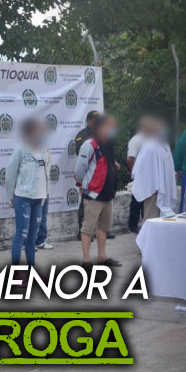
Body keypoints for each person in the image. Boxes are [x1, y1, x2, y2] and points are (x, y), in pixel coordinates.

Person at [74, 115, 122, 269]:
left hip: (108, 193)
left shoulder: (108, 143)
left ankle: (102, 257)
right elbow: (79, 170)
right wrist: (82, 184)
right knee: (87, 228)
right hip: (93, 194)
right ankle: (86, 260)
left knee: (103, 227)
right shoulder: (89, 145)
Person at [5, 119, 50, 276]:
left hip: (39, 199)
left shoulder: (43, 150)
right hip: (23, 198)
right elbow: (10, 175)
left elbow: (45, 174)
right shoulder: (21, 150)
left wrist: (45, 194)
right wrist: (10, 196)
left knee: (32, 238)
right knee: (20, 236)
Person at [72, 110, 113, 239]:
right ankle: (82, 231)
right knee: (87, 204)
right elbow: (80, 151)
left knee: (103, 204)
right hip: (89, 173)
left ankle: (103, 231)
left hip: (103, 176)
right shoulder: (83, 135)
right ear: (89, 121)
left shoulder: (103, 134)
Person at [131, 116, 177, 221]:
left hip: (164, 189)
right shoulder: (150, 145)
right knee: (151, 219)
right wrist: (153, 187)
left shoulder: (165, 145)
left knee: (162, 219)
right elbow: (144, 169)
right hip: (152, 191)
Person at [125, 116, 148, 233]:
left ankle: (145, 224)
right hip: (139, 175)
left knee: (146, 202)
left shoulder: (150, 139)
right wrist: (132, 171)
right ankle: (133, 226)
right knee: (137, 201)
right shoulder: (136, 140)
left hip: (148, 175)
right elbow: (130, 158)